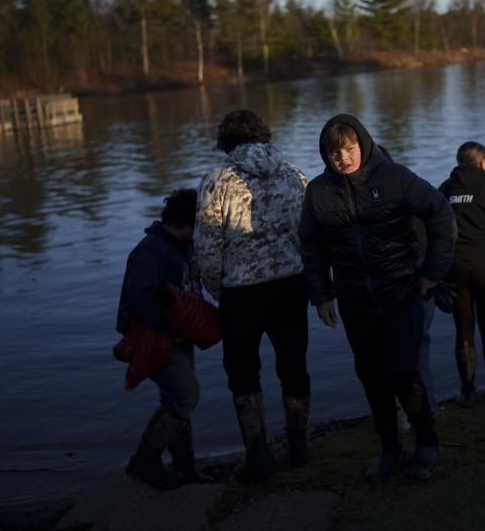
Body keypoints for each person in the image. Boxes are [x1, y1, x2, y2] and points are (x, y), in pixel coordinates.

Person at [300, 114, 455, 483]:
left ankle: (427, 444)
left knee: (403, 370)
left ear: (363, 145)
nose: (344, 159)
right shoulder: (318, 192)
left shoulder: (393, 177)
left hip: (401, 292)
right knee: (371, 376)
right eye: (335, 153)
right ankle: (390, 450)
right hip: (355, 300)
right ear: (326, 155)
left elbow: (440, 213)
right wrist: (321, 294)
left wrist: (433, 271)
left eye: (350, 150)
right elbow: (311, 245)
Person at [196, 109, 311, 480]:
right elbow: (310, 234)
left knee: (243, 371)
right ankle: (299, 444)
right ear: (263, 134)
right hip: (292, 285)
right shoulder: (296, 175)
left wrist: (219, 291)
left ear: (225, 141)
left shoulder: (218, 181)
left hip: (242, 293)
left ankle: (259, 454)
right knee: (293, 363)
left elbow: (208, 248)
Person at [117, 188, 213, 490]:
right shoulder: (152, 249)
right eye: (199, 227)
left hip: (178, 336)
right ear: (186, 223)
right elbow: (140, 296)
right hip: (158, 337)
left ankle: (185, 467)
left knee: (179, 399)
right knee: (186, 396)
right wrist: (168, 327)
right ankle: (145, 459)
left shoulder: (178, 247)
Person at [438, 141, 485, 405]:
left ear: (460, 162)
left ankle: (468, 391)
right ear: (483, 162)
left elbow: (437, 231)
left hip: (455, 269)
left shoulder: (444, 191)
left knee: (464, 330)